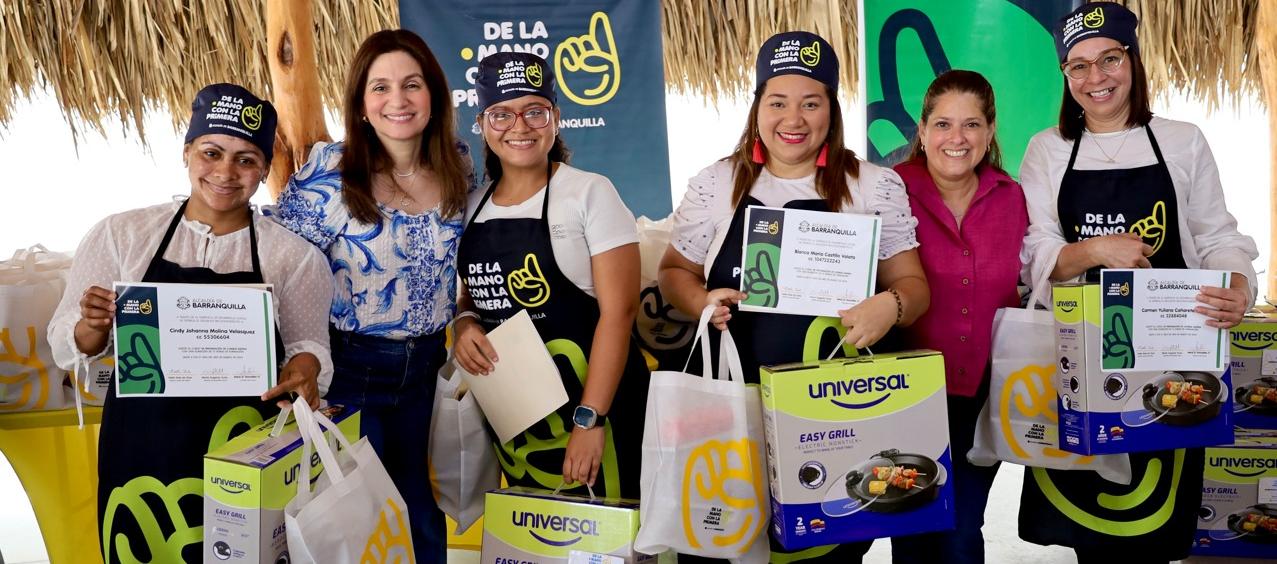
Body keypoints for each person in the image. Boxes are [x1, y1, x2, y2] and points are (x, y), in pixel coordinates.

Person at [659, 31, 930, 562]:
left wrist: (891, 306)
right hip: (731, 404)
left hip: (834, 414)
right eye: (778, 102)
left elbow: (914, 287)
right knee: (729, 540)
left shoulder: (871, 186)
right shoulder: (718, 184)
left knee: (826, 546)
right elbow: (674, 271)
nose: (794, 119)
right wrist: (700, 301)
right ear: (757, 106)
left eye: (811, 103)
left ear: (832, 109)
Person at [47, 83, 332, 563]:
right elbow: (66, 339)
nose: (225, 172)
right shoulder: (122, 235)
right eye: (211, 153)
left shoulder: (294, 257)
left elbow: (311, 347)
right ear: (186, 153)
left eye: (246, 160)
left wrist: (306, 368)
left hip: (245, 452)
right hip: (142, 449)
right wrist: (92, 326)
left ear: (265, 169)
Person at [1017, 3, 1258, 562]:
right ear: (1065, 74)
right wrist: (1096, 250)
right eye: (1078, 66)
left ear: (1133, 60)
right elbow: (1034, 252)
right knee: (1092, 530)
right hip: (1080, 363)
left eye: (1110, 59)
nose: (1095, 78)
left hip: (1170, 364)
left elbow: (1217, 235)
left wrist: (1238, 285)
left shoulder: (1182, 140)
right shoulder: (1047, 148)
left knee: (1154, 525)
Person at [271, 29, 472, 561]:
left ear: (434, 96)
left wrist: (467, 316)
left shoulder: (457, 163)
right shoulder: (331, 173)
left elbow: (468, 262)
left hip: (427, 367)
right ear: (361, 104)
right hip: (352, 370)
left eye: (412, 84)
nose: (397, 100)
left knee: (421, 513)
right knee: (364, 519)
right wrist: (297, 356)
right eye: (380, 87)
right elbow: (279, 267)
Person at [450, 52, 648, 500]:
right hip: (520, 422)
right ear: (483, 124)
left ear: (555, 118)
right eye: (502, 114)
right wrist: (465, 323)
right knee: (535, 530)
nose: (519, 126)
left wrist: (590, 419)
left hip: (600, 410)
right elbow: (470, 298)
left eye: (534, 111)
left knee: (610, 530)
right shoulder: (472, 206)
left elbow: (620, 314)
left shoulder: (589, 193)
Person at [888, 70, 1027, 563]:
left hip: (982, 396)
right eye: (943, 124)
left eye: (971, 125)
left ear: (990, 132)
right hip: (902, 395)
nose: (957, 138)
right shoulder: (888, 190)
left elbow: (1041, 272)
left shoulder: (1014, 197)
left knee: (961, 531)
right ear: (922, 130)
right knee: (912, 528)